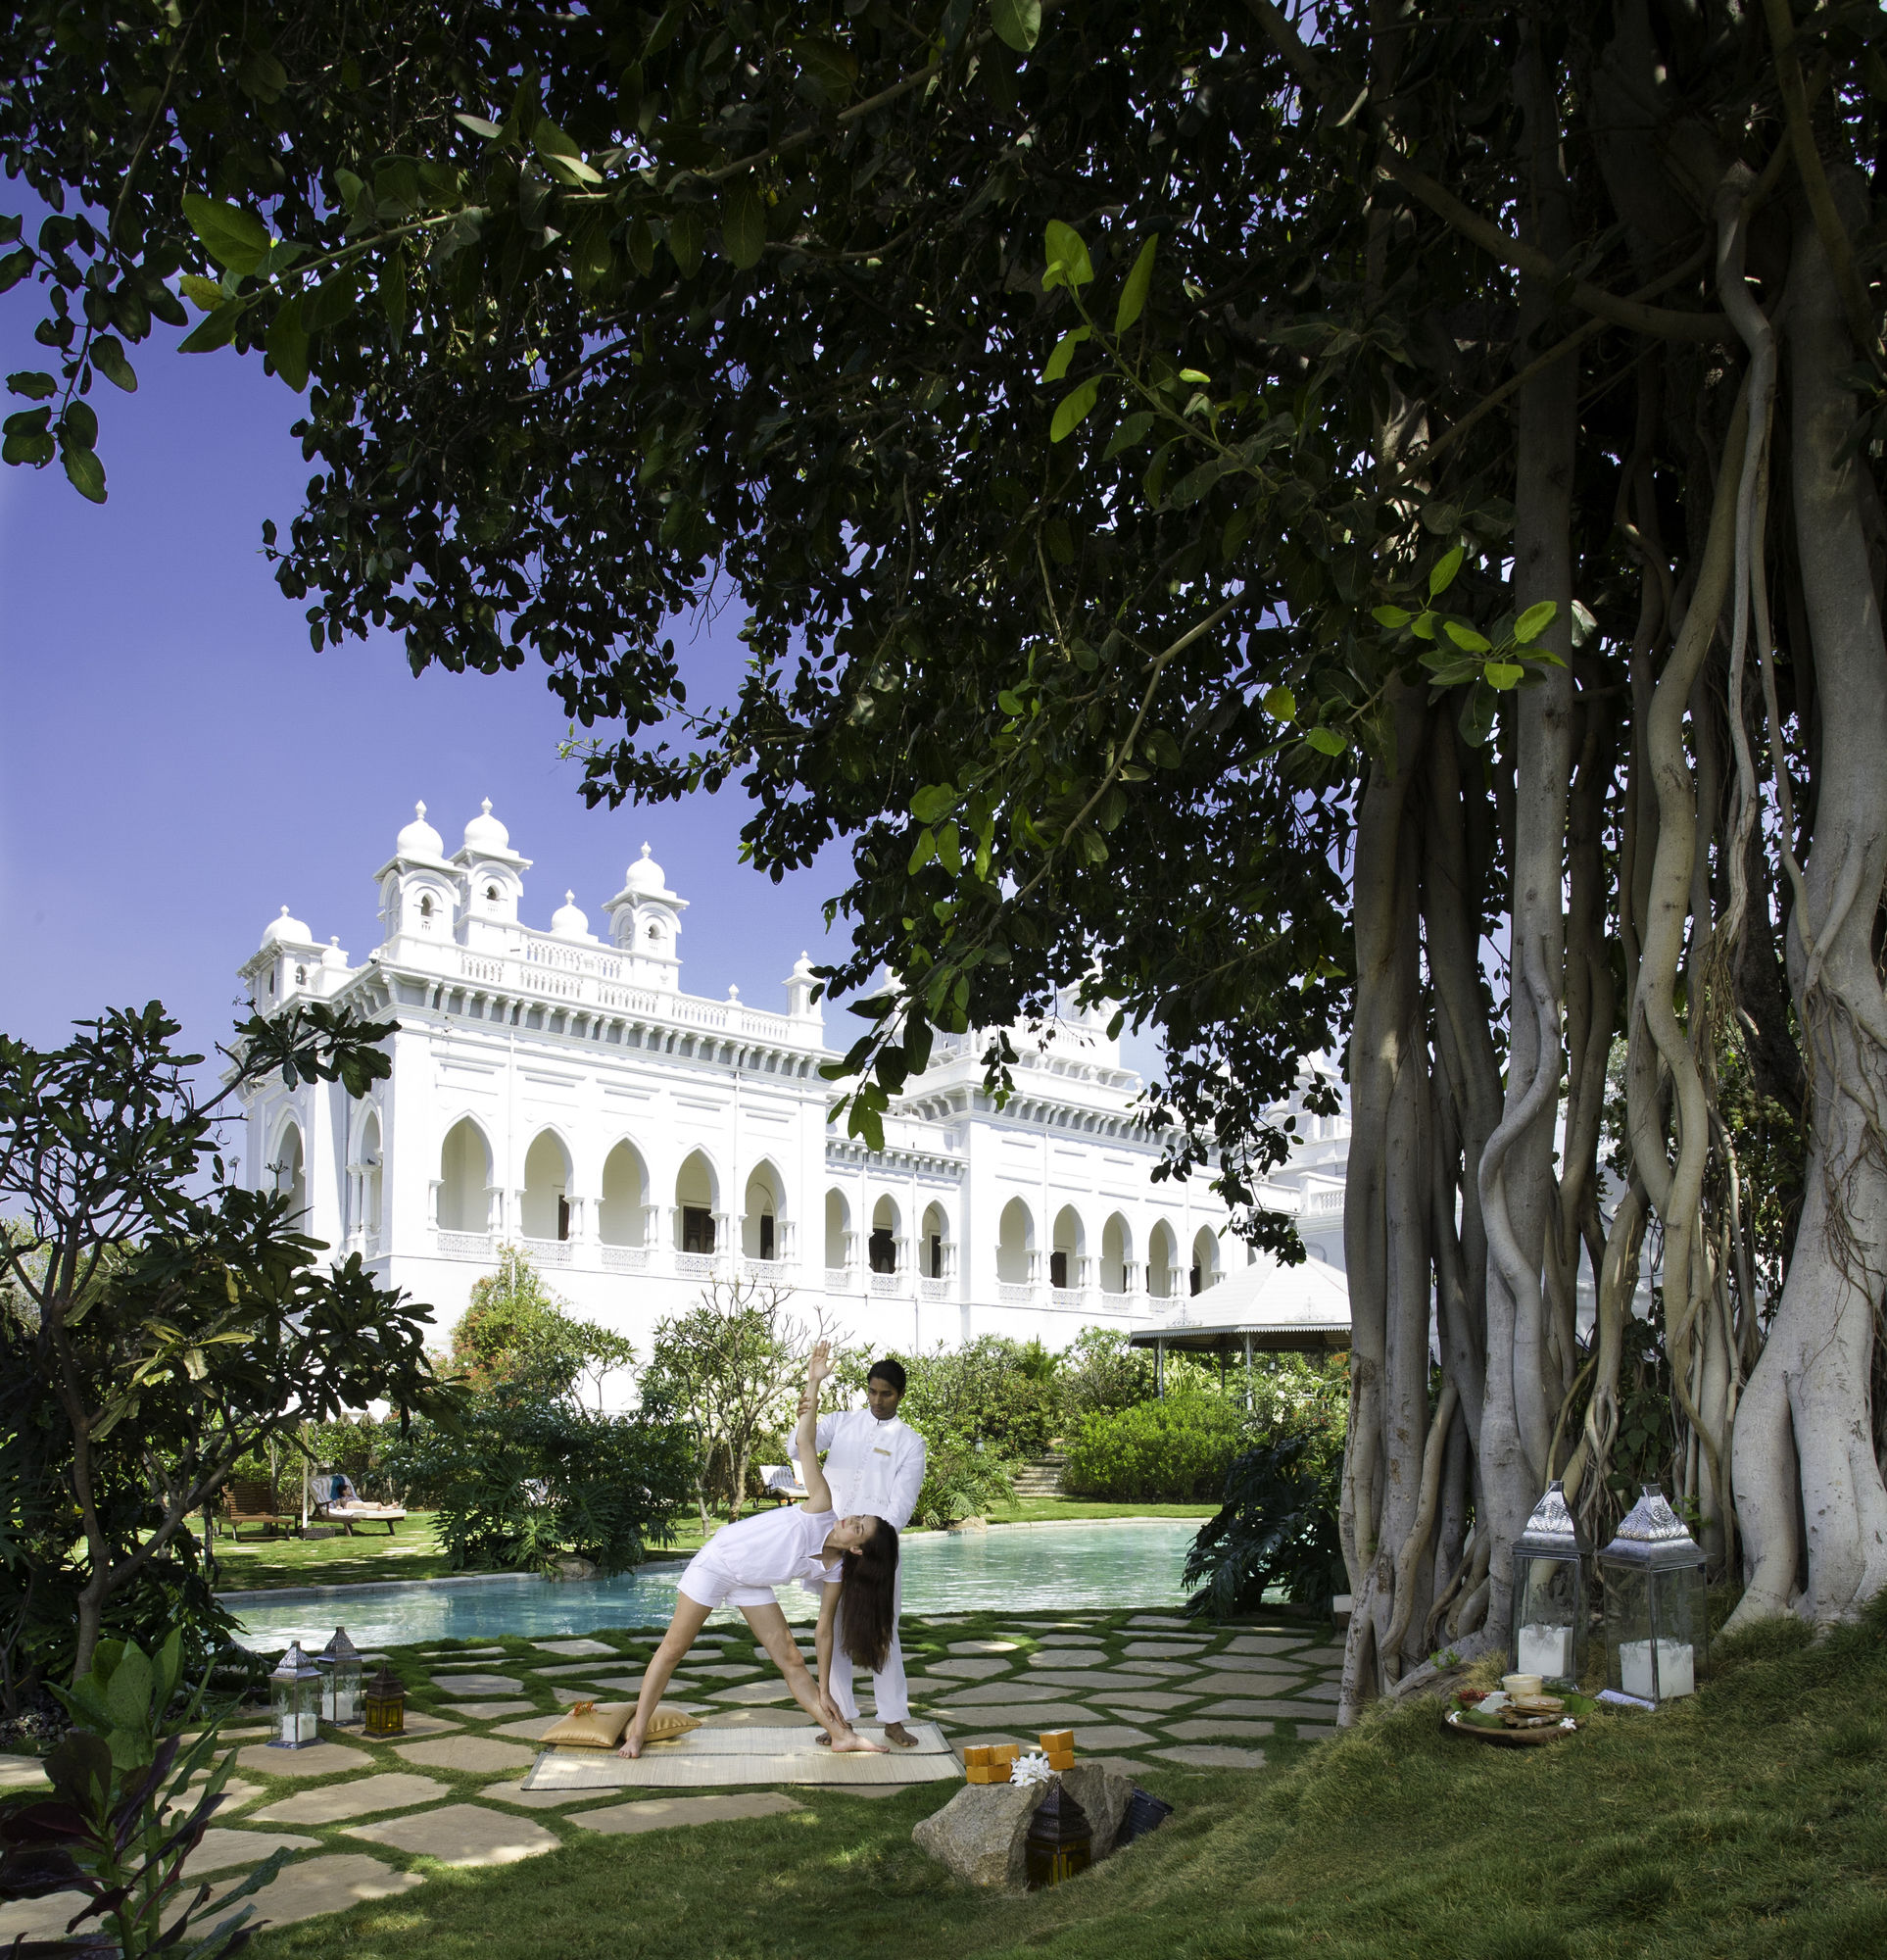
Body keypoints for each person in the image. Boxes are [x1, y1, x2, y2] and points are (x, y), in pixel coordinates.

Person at [617, 1341, 899, 1758]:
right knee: (673, 1649)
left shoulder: (835, 1571)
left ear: (858, 1551)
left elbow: (823, 1630)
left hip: (751, 1583)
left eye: (858, 1526)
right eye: (857, 1516)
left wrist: (825, 1687)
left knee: (791, 1660)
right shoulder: (822, 1506)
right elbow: (806, 1445)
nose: (850, 1519)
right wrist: (813, 1383)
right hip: (717, 1564)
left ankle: (842, 1736)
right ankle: (637, 1733)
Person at [791, 1356, 926, 1747]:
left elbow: (900, 1508)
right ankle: (841, 1718)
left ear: (900, 1395)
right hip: (832, 1544)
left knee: (884, 1631)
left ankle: (893, 1718)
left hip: (876, 1553)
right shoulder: (841, 1423)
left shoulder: (910, 1443)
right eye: (872, 1391)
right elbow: (801, 1446)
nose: (878, 1400)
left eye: (886, 1394)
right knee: (832, 1629)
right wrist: (810, 1397)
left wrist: (864, 1543)